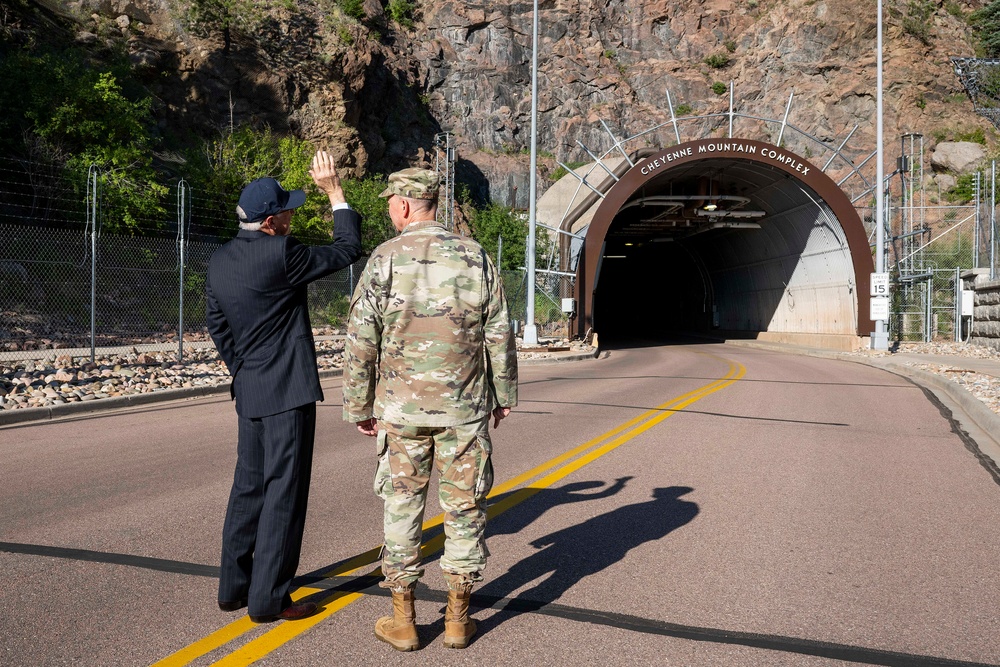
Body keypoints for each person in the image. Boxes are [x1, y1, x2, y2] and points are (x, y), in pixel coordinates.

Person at [343, 167, 518, 651]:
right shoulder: (475, 257)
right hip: (462, 408)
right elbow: (499, 333)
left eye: (388, 203)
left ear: (403, 204)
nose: (388, 210)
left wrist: (359, 404)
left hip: (401, 410)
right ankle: (458, 619)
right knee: (464, 506)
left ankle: (404, 619)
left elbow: (362, 340)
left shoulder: (384, 259)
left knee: (402, 504)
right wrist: (502, 396)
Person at [206, 151, 362, 623]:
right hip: (287, 392)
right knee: (284, 494)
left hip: (251, 388)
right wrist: (335, 193)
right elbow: (346, 249)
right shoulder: (282, 254)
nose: (294, 216)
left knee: (248, 488)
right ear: (271, 221)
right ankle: (269, 598)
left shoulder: (219, 260)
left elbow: (218, 326)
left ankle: (234, 588)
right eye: (289, 211)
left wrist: (246, 368)